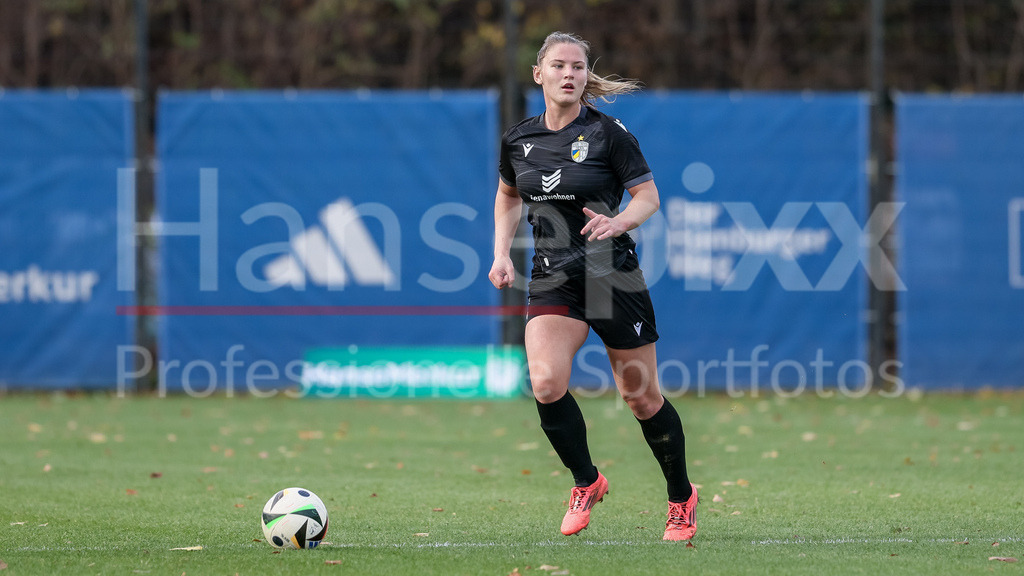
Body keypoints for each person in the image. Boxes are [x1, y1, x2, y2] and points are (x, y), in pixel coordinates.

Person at [488, 31, 698, 541]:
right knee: (545, 383)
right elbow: (508, 194)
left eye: (578, 67)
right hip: (554, 276)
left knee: (641, 397)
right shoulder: (518, 139)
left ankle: (681, 497)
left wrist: (619, 222)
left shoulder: (608, 134)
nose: (569, 74)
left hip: (611, 276)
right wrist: (501, 253)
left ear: (586, 75)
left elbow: (648, 197)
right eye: (558, 65)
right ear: (539, 74)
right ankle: (587, 481)